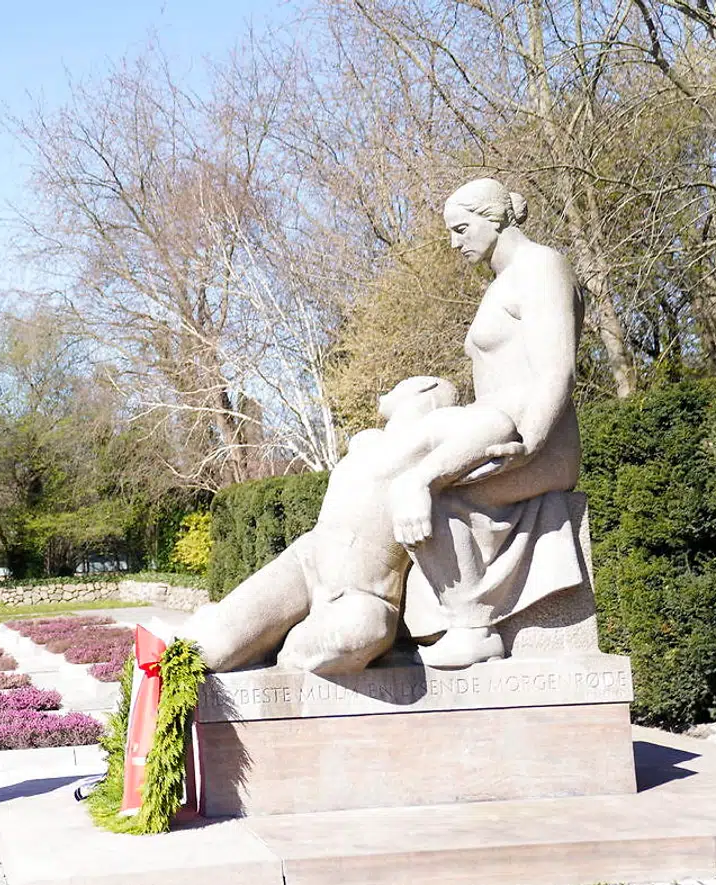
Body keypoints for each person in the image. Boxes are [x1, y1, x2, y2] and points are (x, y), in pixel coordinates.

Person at [184, 375, 520, 675]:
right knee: (206, 650)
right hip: (304, 564)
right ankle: (239, 629)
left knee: (362, 627)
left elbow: (495, 426)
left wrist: (421, 481)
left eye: (401, 384)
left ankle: (289, 647)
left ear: (425, 389)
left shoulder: (431, 426)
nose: (387, 389)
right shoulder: (369, 442)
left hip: (363, 594)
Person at [398, 178, 586, 668]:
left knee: (437, 492)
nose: (456, 242)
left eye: (462, 228)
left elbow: (556, 370)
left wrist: (532, 442)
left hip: (535, 444)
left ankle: (471, 624)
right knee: (396, 473)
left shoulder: (542, 266)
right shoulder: (501, 284)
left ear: (496, 217)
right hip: (494, 435)